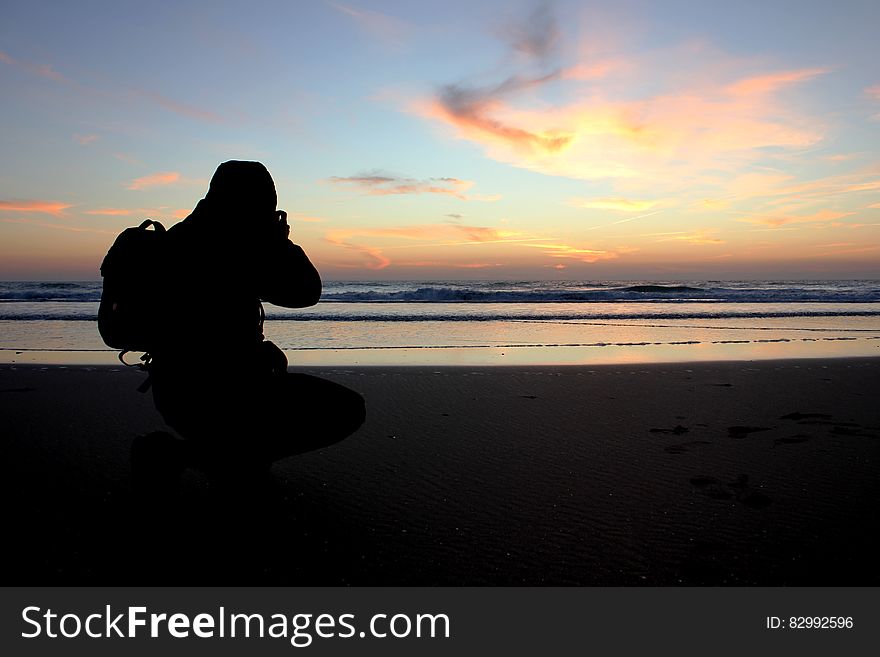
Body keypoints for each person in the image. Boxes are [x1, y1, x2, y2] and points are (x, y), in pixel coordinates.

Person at [146, 161, 365, 473]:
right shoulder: (229, 245)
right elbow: (305, 292)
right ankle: (187, 456)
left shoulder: (180, 237)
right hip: (221, 397)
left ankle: (232, 456)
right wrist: (279, 241)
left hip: (174, 393)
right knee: (347, 410)